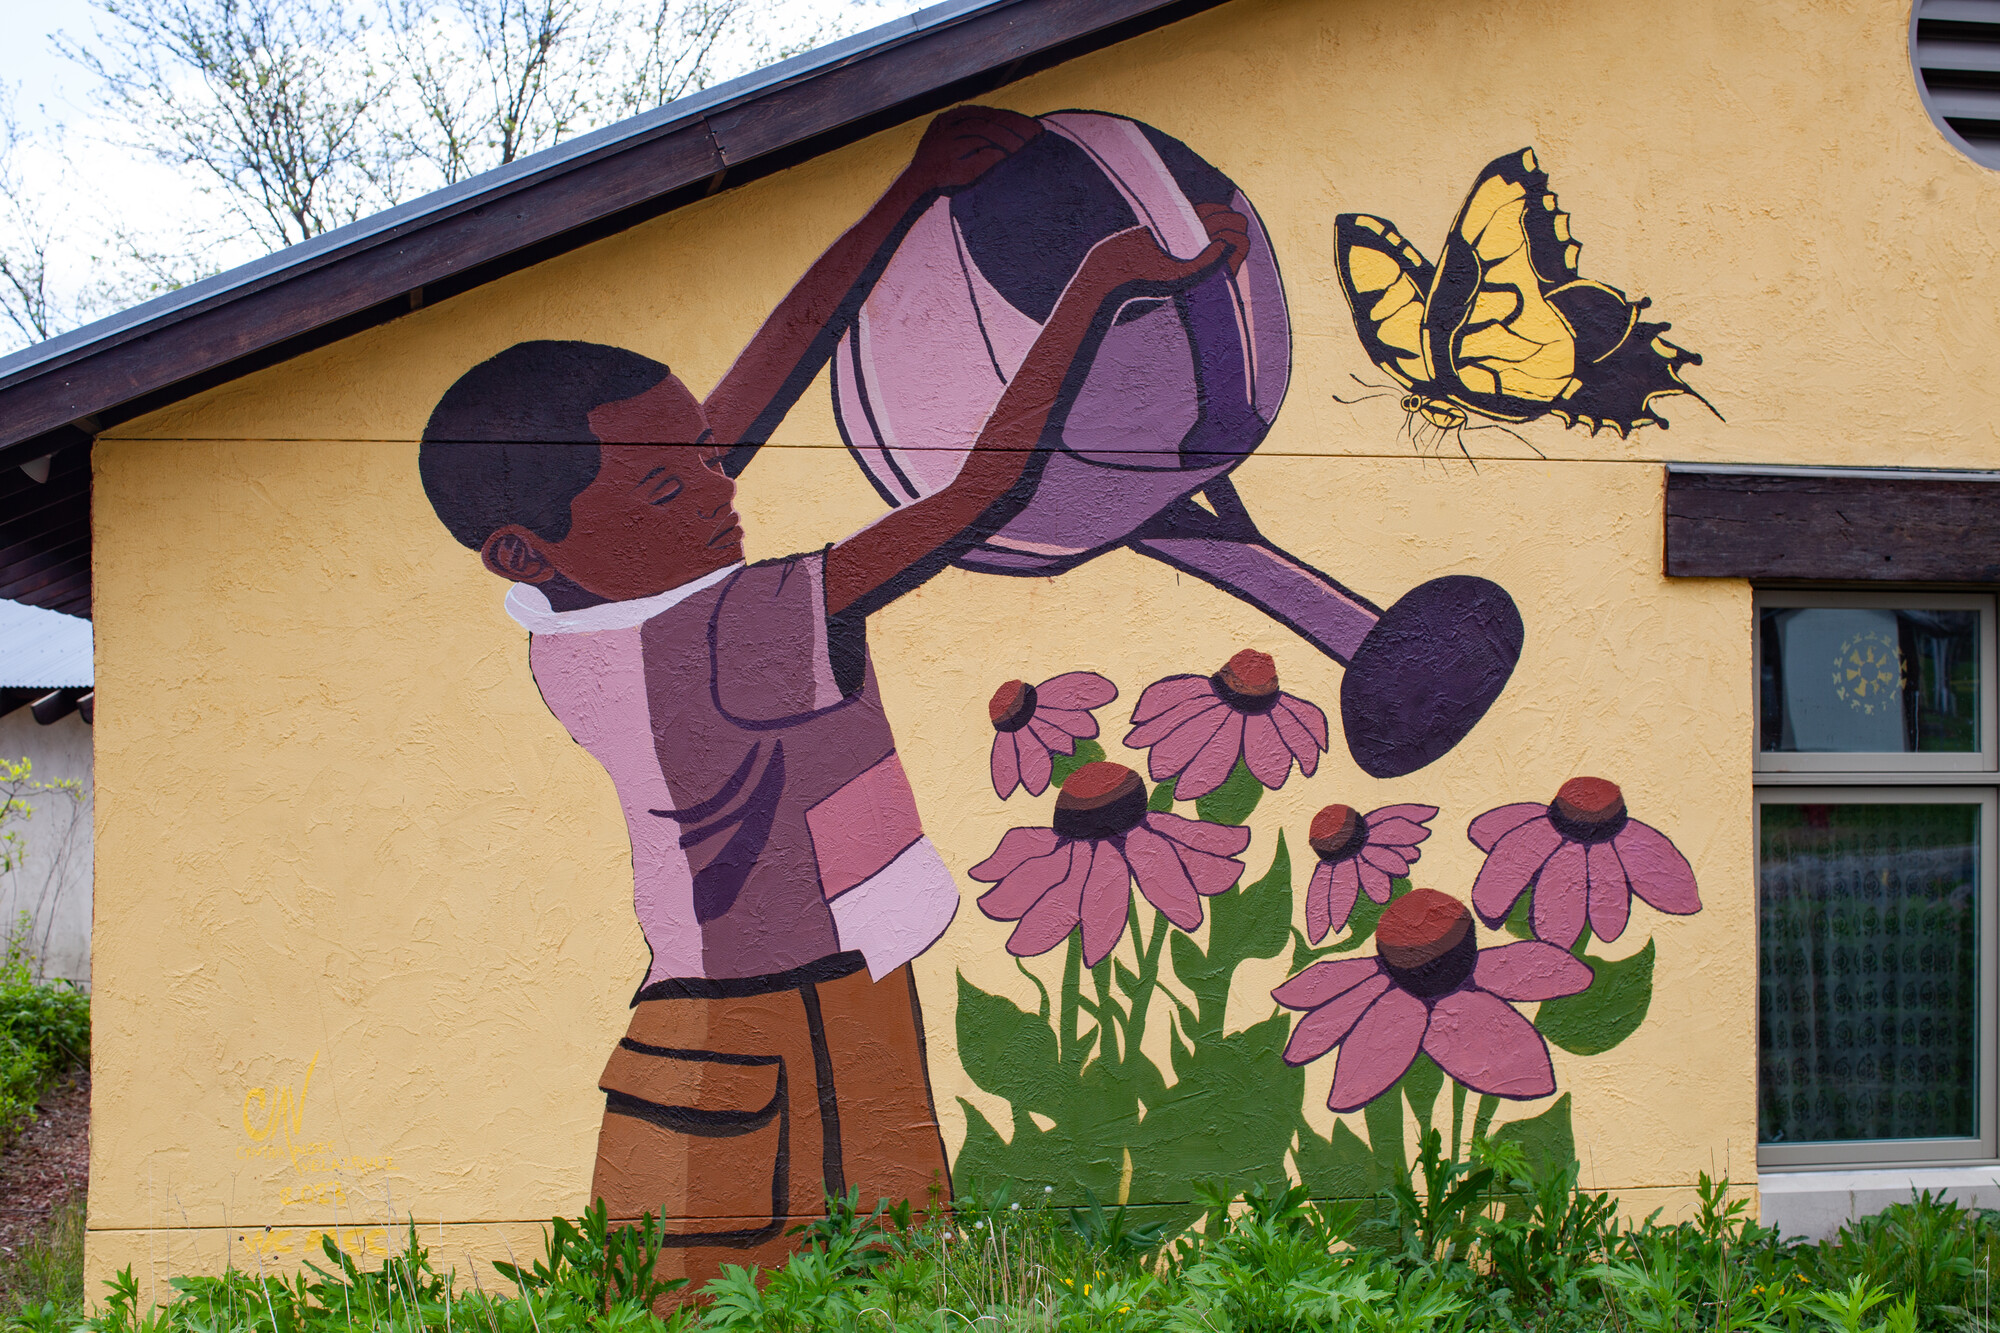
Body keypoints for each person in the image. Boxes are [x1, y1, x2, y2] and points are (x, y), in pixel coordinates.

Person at [418, 106, 1241, 1295]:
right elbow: (966, 502)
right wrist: (1105, 283)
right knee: (718, 1298)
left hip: (821, 1002)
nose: (717, 486)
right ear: (521, 549)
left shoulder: (579, 612)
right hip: (754, 1036)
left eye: (706, 451)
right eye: (671, 480)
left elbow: (759, 378)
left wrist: (906, 193)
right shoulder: (716, 631)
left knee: (884, 1287)